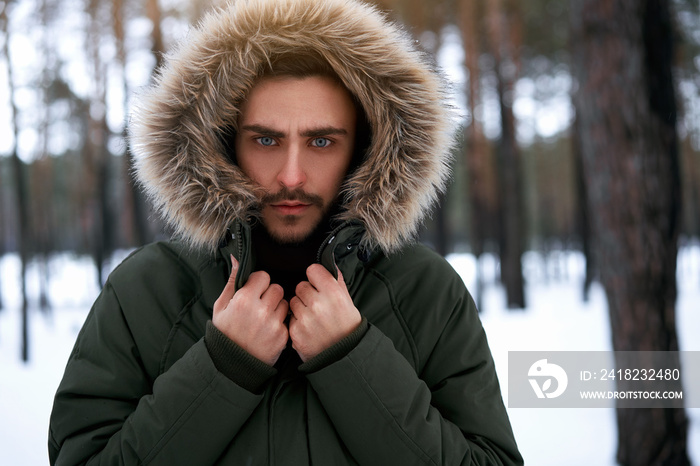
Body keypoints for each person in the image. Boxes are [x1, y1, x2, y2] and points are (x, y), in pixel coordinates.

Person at [49, 0, 523, 464]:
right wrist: (222, 368)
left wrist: (353, 360)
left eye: (321, 141)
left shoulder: (426, 291)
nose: (291, 176)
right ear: (221, 143)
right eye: (266, 140)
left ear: (365, 148)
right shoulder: (147, 290)